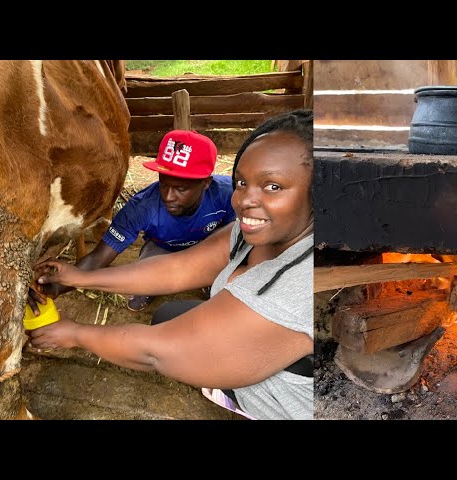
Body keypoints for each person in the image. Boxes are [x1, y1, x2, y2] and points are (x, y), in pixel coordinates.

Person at [28, 109, 314, 420]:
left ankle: (249, 403)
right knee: (168, 314)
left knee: (173, 346)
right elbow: (177, 268)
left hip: (292, 407)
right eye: (243, 182)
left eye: (273, 186)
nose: (244, 200)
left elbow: (155, 352)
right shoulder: (253, 231)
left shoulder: (300, 283)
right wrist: (76, 277)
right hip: (247, 327)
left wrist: (74, 334)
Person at [29, 129, 236, 313]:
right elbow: (98, 258)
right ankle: (151, 284)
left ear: (206, 183)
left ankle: (208, 277)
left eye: (181, 189)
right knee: (145, 278)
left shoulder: (228, 194)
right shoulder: (141, 207)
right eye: (164, 184)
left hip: (207, 247)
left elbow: (233, 238)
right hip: (162, 250)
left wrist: (211, 262)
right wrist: (56, 286)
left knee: (227, 284)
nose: (168, 196)